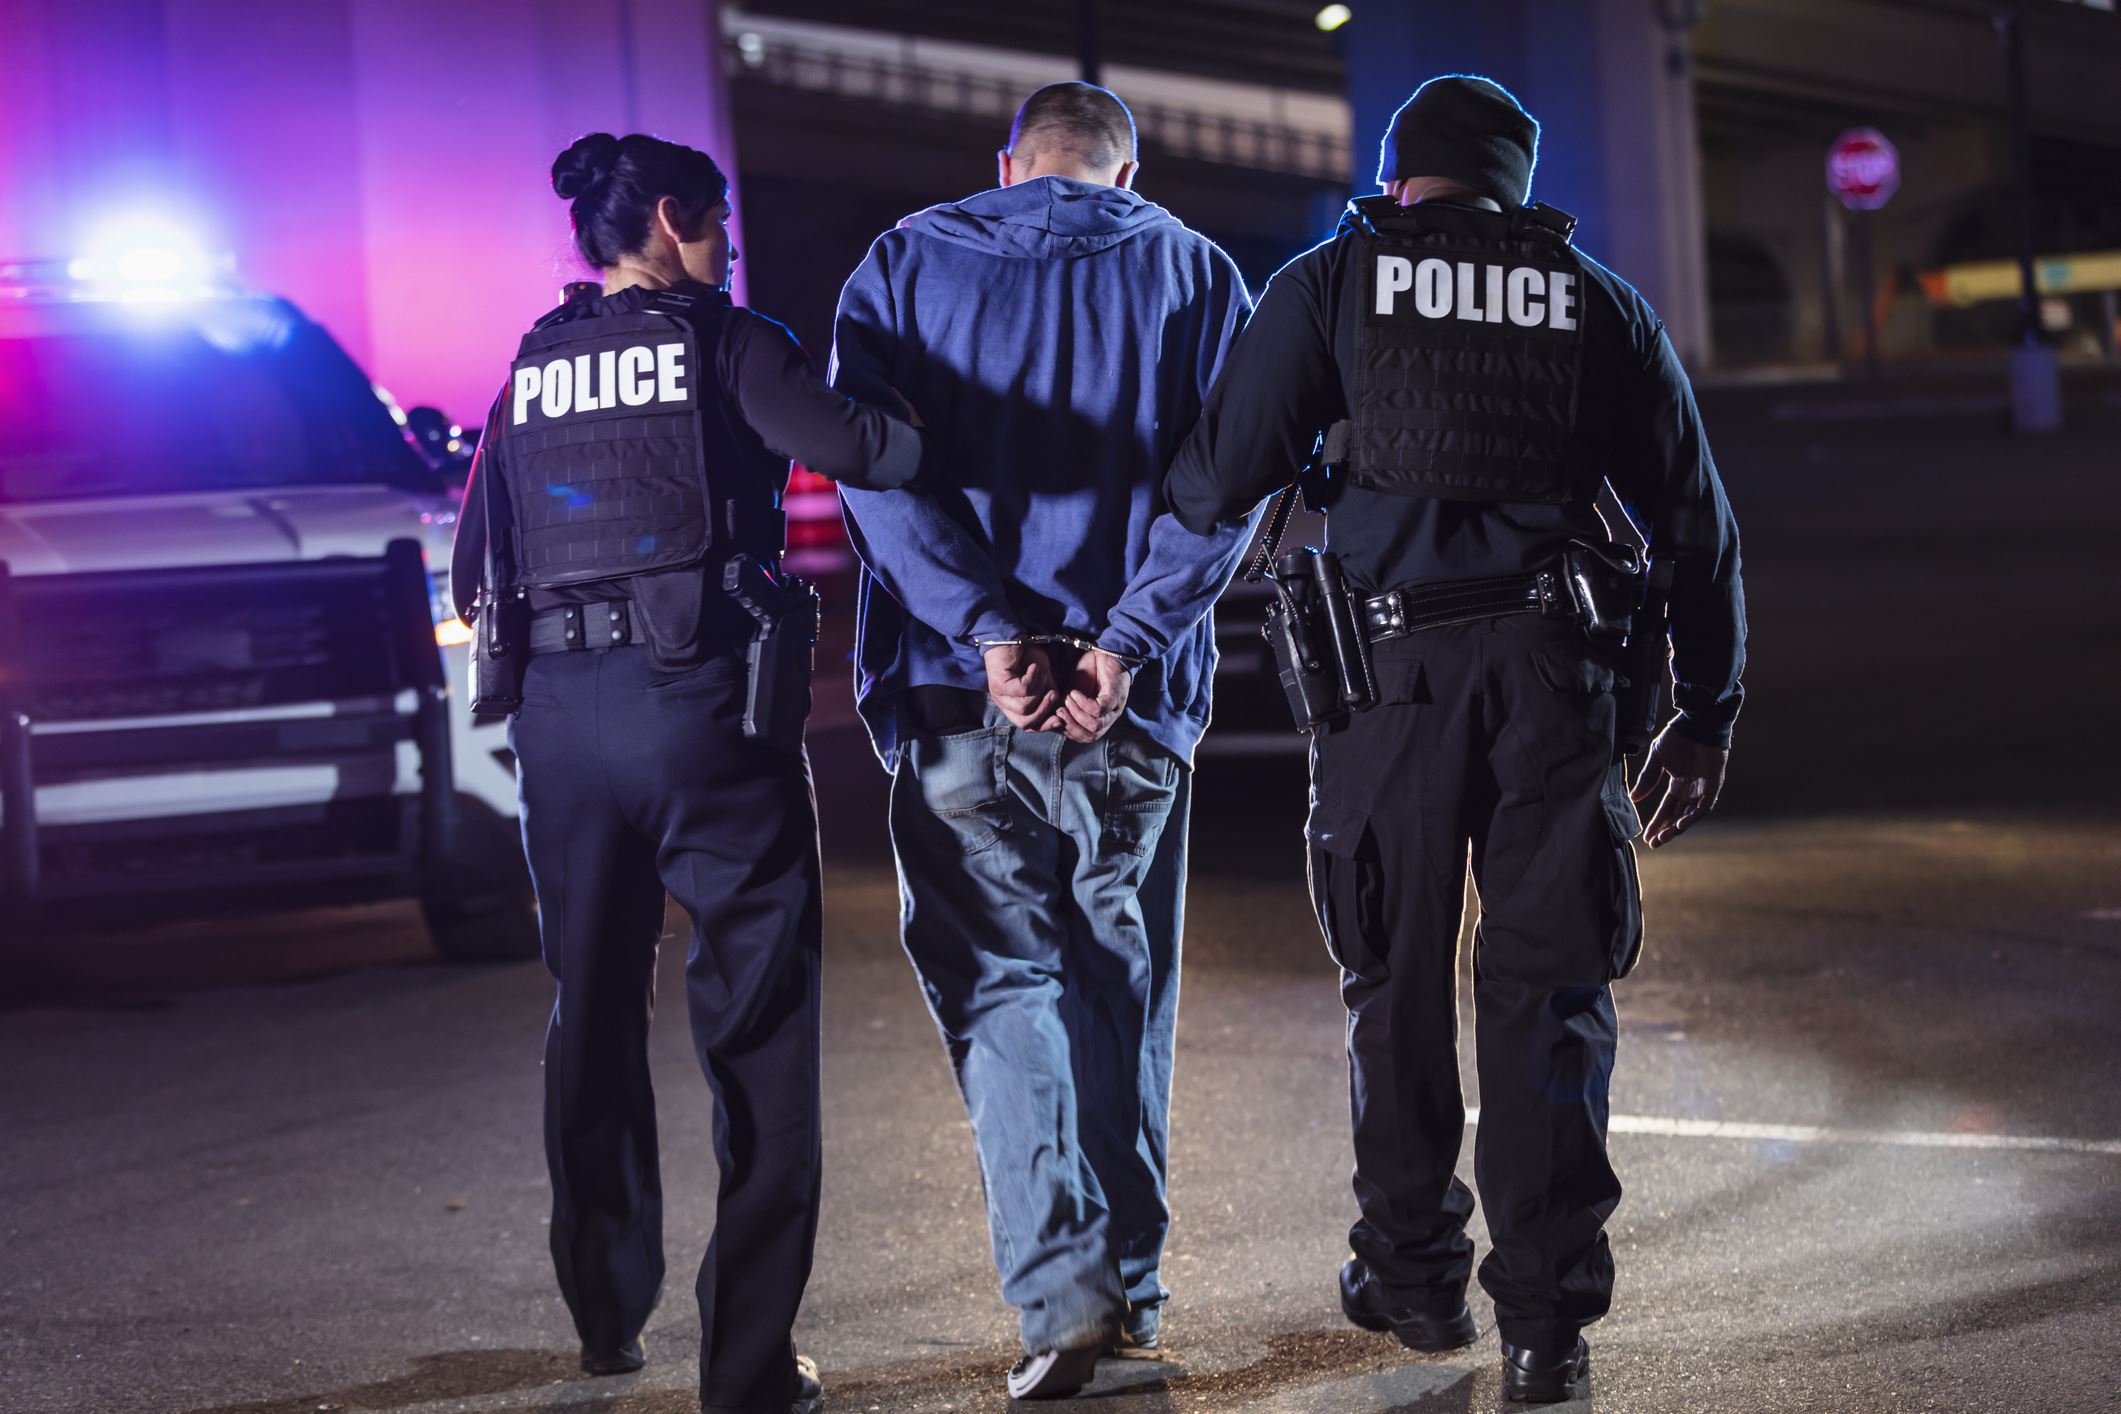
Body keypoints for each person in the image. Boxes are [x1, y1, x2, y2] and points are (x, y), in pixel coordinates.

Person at [1163, 76, 1745, 1404]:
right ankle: (1545, 1325)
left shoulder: (1331, 282)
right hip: (1558, 682)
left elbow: (1214, 479)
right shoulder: (1593, 299)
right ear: (1516, 183)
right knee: (1551, 997)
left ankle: (1414, 1274)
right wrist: (1706, 710)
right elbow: (1697, 525)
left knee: (1395, 978)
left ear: (1398, 174)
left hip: (1390, 683)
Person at [449, 131, 920, 1414]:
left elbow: (475, 563)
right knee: (758, 1028)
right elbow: (867, 449)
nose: (727, 244)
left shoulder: (533, 362)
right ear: (671, 218)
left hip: (560, 729)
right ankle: (748, 1367)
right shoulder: (727, 340)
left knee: (591, 1007)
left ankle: (606, 1315)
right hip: (705, 714)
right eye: (715, 221)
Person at [829, 82, 1259, 1400]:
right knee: (1119, 992)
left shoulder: (906, 260)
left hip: (962, 695)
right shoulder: (1195, 272)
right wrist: (1123, 642)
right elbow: (1231, 482)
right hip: (1126, 700)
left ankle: (1064, 1301)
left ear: (1008, 163)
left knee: (1002, 991)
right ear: (1127, 176)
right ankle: (1129, 1294)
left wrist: (984, 629)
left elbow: (869, 470)